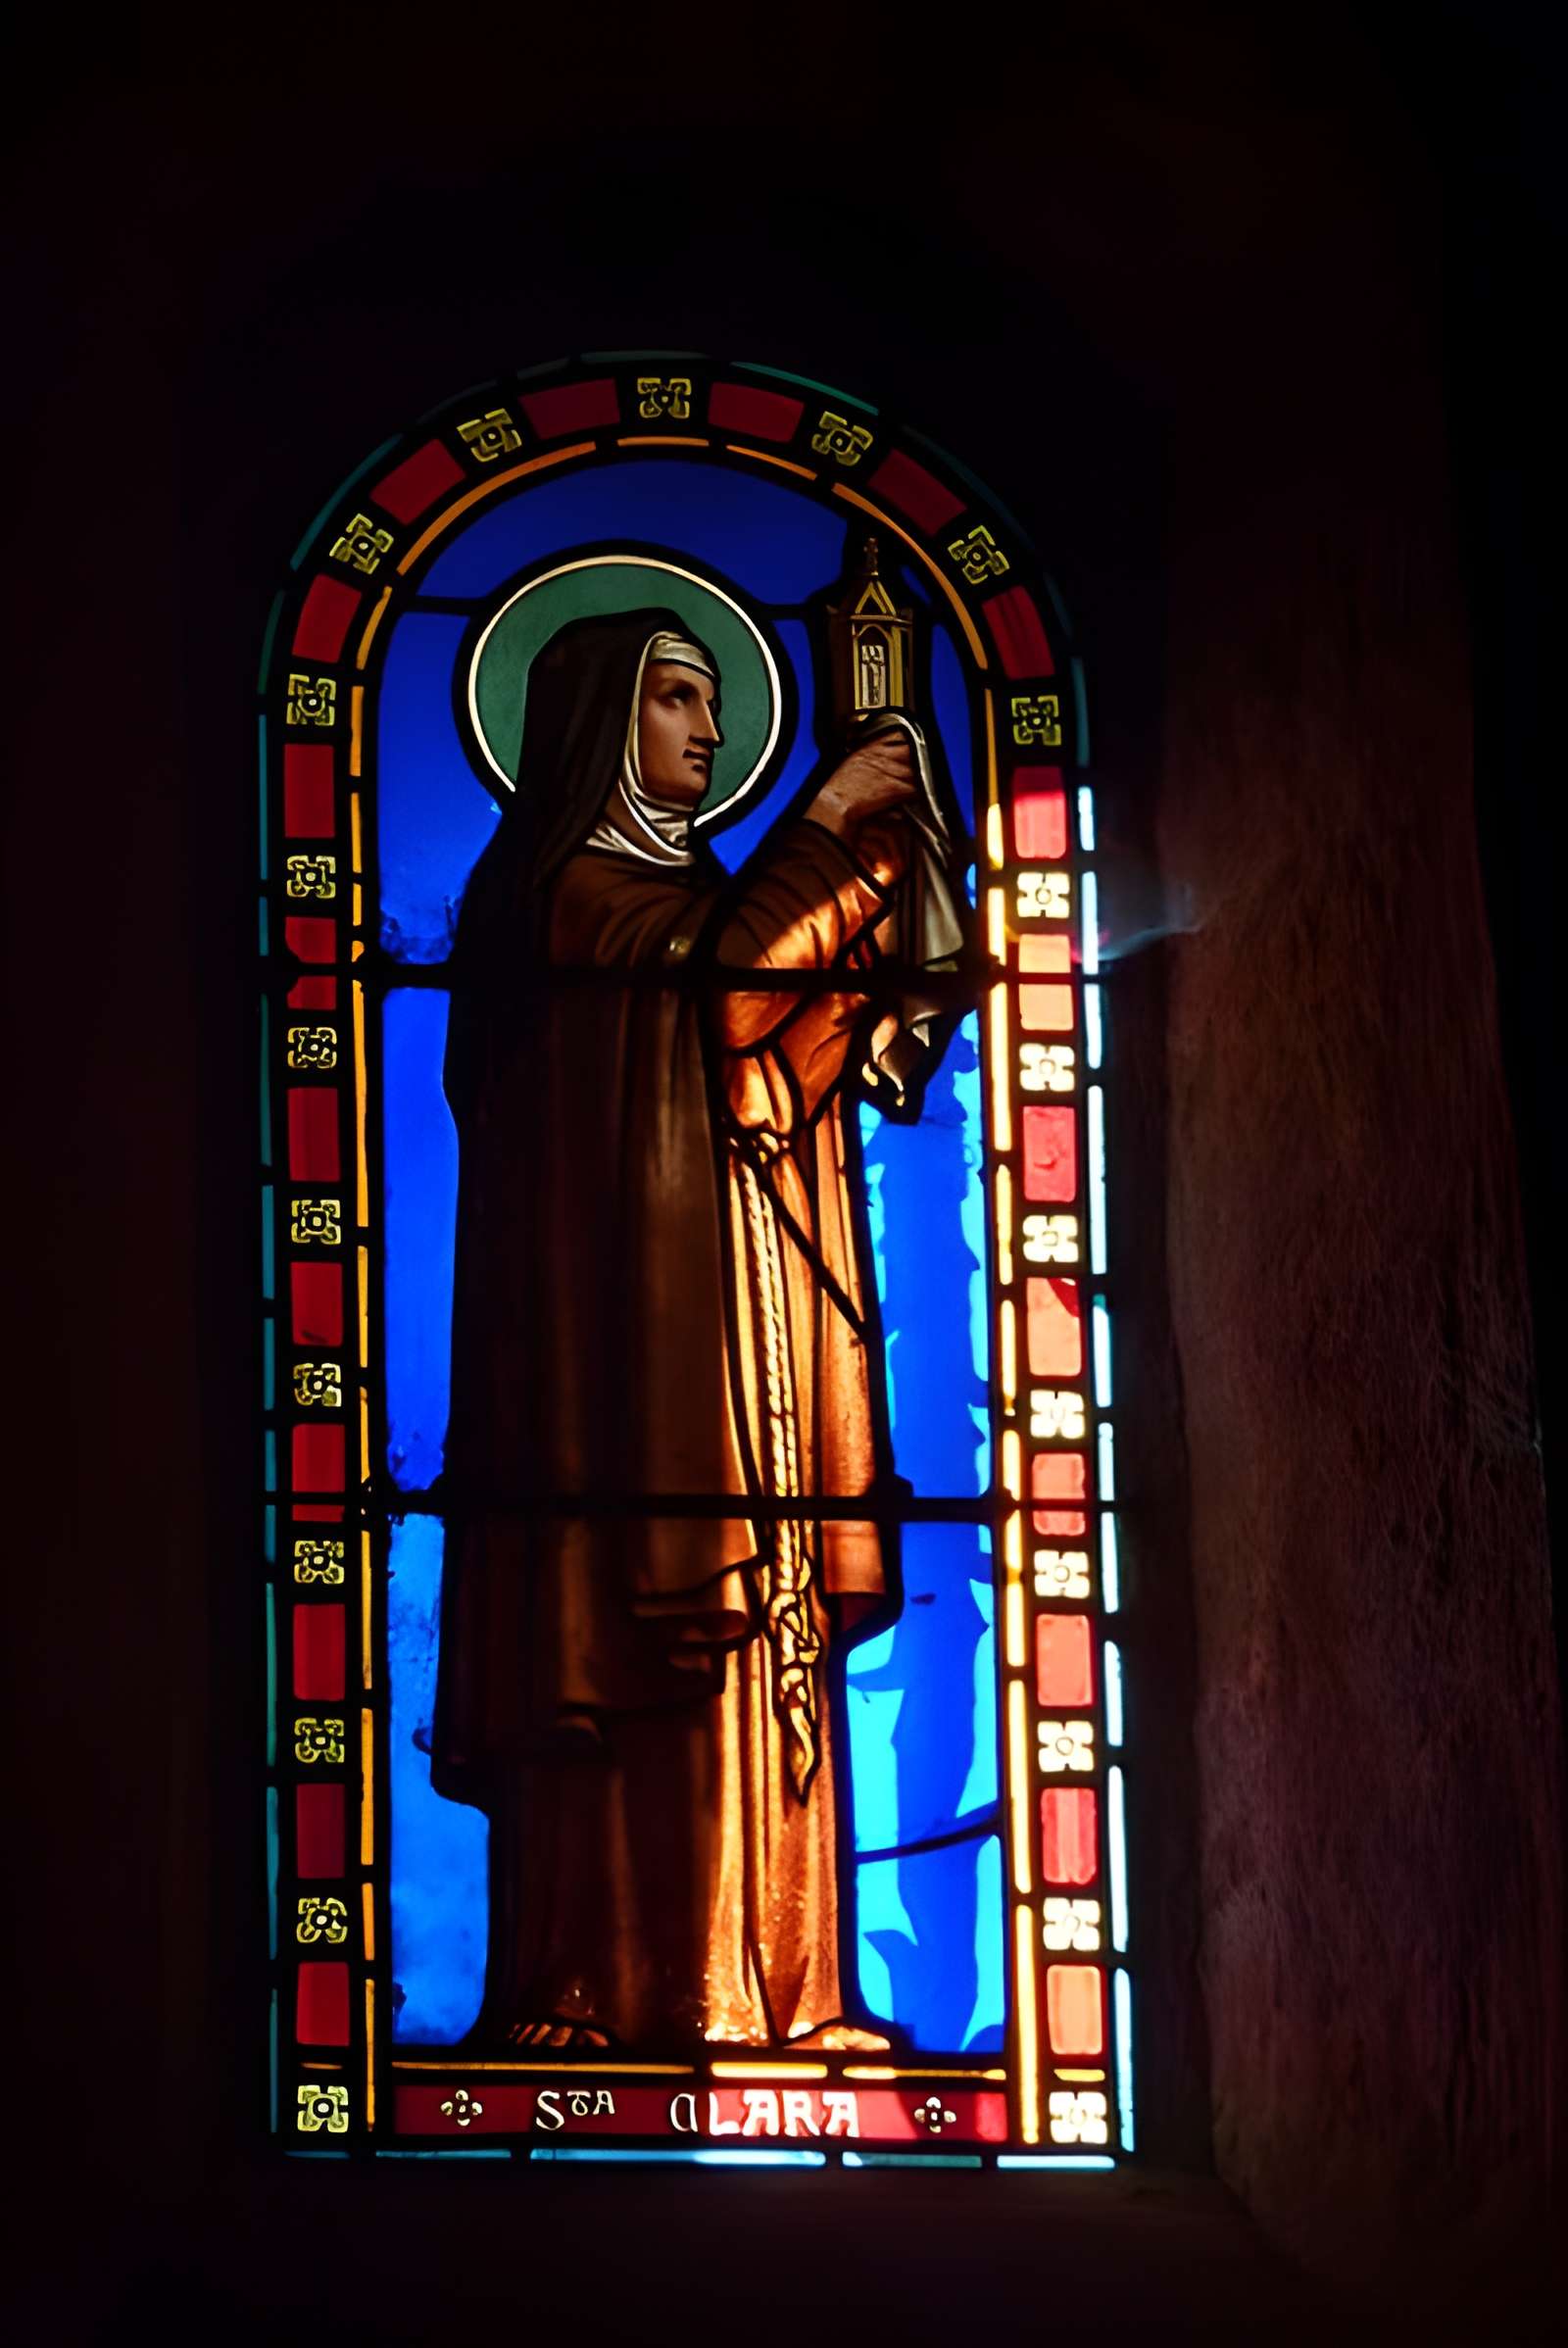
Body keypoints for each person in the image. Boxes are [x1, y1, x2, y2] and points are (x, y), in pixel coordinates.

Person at [433, 607, 947, 2053]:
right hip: (614, 1370)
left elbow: (775, 1031)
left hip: (745, 1324)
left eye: (714, 702)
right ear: (599, 724)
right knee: (634, 1631)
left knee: (759, 1617)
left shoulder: (691, 895)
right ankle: (594, 1990)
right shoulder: (558, 900)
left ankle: (783, 1994)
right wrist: (830, 821)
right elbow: (715, 997)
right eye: (675, 699)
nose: (708, 734)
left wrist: (871, 902)